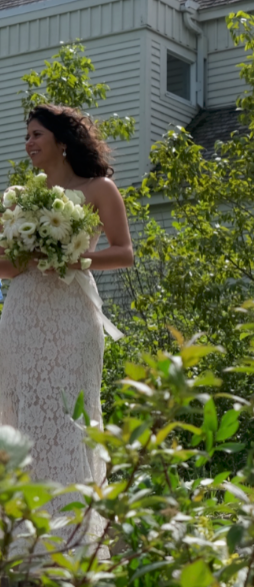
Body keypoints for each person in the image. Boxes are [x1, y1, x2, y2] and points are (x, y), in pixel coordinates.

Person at [0, 104, 134, 559]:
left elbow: (124, 252)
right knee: (22, 414)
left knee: (69, 416)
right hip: (22, 315)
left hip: (72, 314)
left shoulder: (99, 188)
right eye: (26, 137)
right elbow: (6, 266)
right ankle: (22, 541)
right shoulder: (20, 199)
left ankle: (75, 541)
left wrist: (74, 258)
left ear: (61, 140)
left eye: (37, 134)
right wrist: (29, 256)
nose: (29, 143)